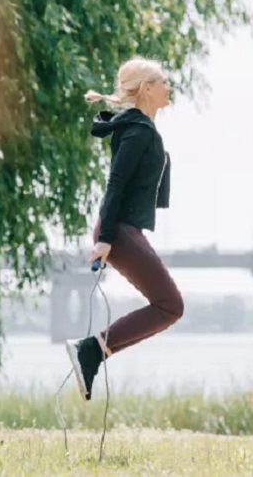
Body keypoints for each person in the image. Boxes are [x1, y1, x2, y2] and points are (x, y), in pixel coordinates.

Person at [65, 57, 184, 401]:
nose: (169, 86)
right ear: (147, 88)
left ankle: (94, 351)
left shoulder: (143, 129)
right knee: (170, 304)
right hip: (118, 231)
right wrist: (104, 241)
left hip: (125, 230)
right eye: (163, 81)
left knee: (168, 306)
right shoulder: (138, 131)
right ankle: (90, 349)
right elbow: (115, 183)